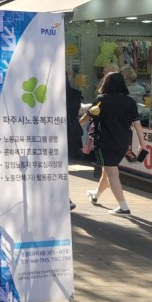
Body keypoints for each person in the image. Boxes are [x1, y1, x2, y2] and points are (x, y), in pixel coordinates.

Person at [80, 71, 145, 216]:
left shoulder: (102, 100)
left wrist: (73, 127)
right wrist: (142, 144)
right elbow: (138, 126)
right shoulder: (130, 102)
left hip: (105, 143)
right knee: (108, 170)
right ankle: (95, 195)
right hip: (123, 144)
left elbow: (85, 118)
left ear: (106, 84)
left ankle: (123, 207)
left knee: (112, 173)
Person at [66, 78, 84, 211]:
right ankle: (65, 197)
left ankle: (64, 197)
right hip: (72, 131)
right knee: (63, 165)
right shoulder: (76, 94)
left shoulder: (48, 92)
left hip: (54, 132)